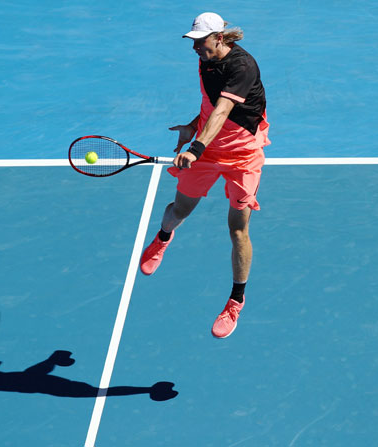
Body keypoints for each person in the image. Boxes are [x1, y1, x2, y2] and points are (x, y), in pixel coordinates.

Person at [139, 12, 270, 338]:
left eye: (200, 41)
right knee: (179, 210)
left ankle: (235, 301)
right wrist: (191, 127)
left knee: (237, 230)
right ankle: (162, 239)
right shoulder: (206, 62)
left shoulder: (242, 67)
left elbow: (226, 109)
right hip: (208, 150)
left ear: (220, 38)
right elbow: (210, 107)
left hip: (242, 157)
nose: (195, 47)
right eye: (193, 42)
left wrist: (194, 148)